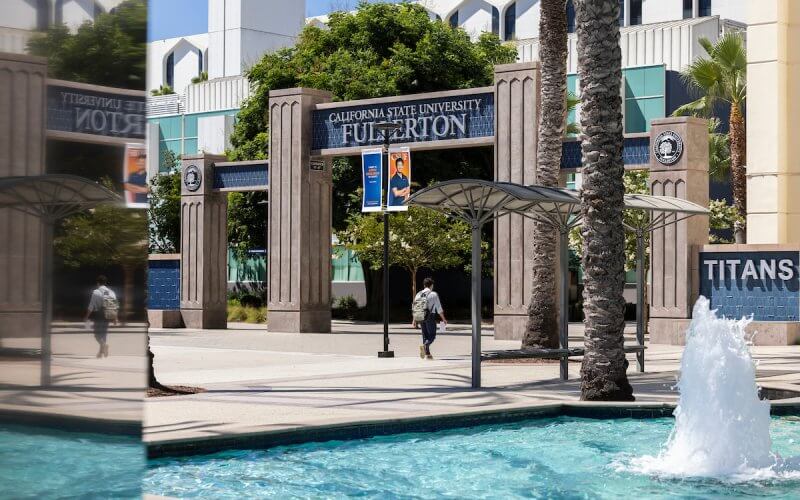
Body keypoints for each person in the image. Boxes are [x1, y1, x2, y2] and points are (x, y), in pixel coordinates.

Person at [84, 275, 118, 358]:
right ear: (105, 282)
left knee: (96, 334)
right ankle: (100, 353)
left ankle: (104, 345)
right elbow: (114, 306)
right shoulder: (111, 292)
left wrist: (86, 316)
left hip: (99, 315)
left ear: (98, 283)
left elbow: (91, 306)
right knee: (104, 333)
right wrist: (115, 318)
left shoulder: (96, 292)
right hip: (108, 314)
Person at [413, 277, 447, 360]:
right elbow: (439, 308)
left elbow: (415, 307)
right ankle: (425, 346)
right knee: (432, 335)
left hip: (420, 316)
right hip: (429, 316)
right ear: (431, 285)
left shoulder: (418, 294)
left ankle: (428, 354)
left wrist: (414, 320)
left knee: (425, 335)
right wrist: (443, 319)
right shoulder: (433, 294)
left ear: (424, 285)